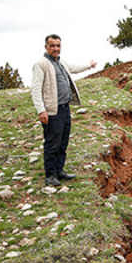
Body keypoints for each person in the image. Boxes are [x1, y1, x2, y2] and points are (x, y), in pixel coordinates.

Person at [31, 34, 97, 187]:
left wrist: (89, 65)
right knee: (52, 144)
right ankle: (50, 175)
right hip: (52, 112)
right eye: (52, 45)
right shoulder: (41, 64)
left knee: (63, 142)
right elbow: (35, 89)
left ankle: (59, 170)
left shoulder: (61, 63)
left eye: (58, 46)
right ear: (46, 47)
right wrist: (41, 111)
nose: (55, 49)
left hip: (65, 109)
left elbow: (74, 68)